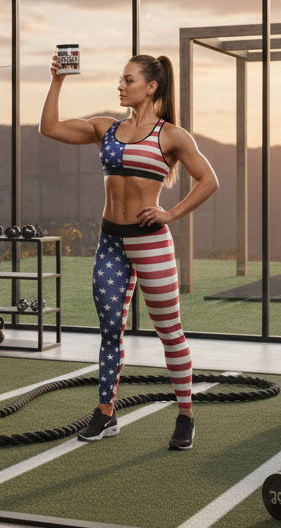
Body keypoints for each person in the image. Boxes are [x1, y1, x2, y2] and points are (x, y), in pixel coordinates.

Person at [39, 53, 219, 450]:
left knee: (169, 332)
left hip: (150, 242)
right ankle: (105, 414)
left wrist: (170, 213)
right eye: (120, 80)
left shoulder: (171, 136)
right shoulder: (106, 128)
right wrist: (57, 80)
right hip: (110, 242)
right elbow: (49, 127)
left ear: (150, 87)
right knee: (109, 332)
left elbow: (209, 180)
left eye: (127, 80)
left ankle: (186, 415)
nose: (120, 86)